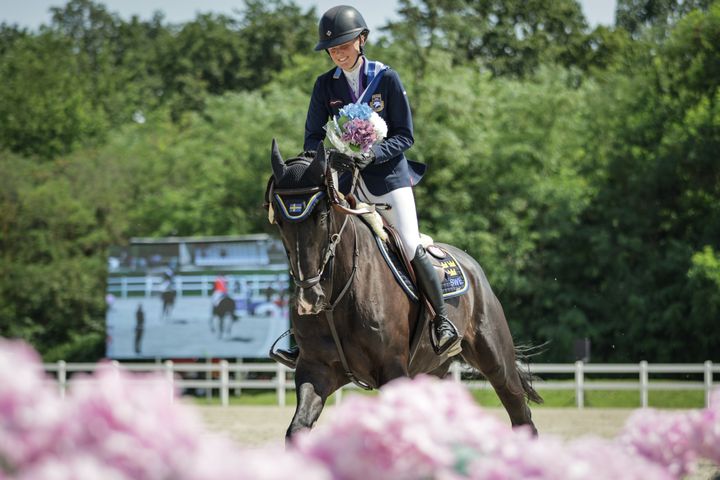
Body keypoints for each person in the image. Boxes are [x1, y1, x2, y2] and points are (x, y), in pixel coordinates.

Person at [271, 5, 460, 369]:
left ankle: (442, 322)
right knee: (310, 243)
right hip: (343, 181)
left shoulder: (385, 79)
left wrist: (370, 155)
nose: (338, 53)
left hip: (388, 179)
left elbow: (405, 135)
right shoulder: (325, 85)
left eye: (343, 45)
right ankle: (300, 337)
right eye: (331, 49)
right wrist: (321, 161)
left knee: (408, 241)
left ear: (361, 39)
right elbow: (312, 136)